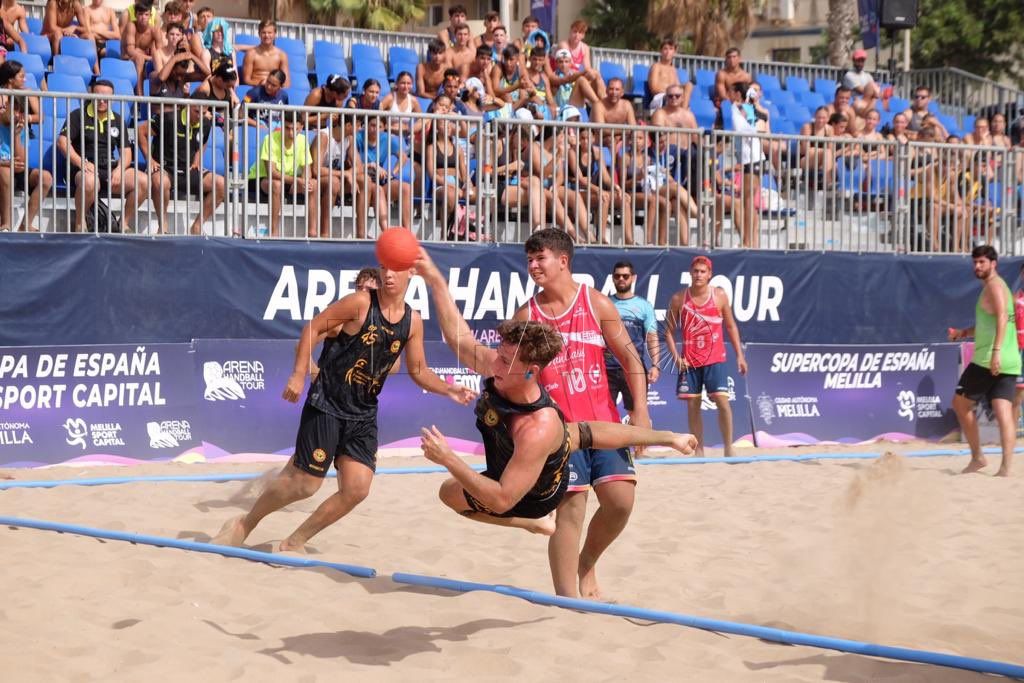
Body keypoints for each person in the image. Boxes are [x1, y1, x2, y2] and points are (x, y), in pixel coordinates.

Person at [415, 256, 698, 534]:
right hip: (516, 474)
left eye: (504, 359)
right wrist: (436, 281)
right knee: (451, 491)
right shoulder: (511, 370)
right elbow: (594, 432)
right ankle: (541, 533)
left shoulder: (542, 423)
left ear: (530, 371)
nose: (495, 365)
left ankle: (552, 536)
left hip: (528, 493)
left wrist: (448, 458)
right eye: (499, 356)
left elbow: (502, 498)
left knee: (588, 507)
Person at [213, 263, 477, 552]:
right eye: (384, 268)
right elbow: (312, 329)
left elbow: (418, 369)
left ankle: (294, 541)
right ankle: (244, 523)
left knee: (357, 489)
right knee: (304, 485)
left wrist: (448, 388)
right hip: (328, 403)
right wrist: (299, 373)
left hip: (363, 412)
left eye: (396, 269)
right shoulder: (360, 303)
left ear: (411, 273)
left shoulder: (412, 321)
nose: (388, 274)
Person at [509, 228, 650, 600]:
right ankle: (566, 600)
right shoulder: (528, 315)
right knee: (570, 511)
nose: (533, 266)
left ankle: (586, 563)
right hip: (560, 432)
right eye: (529, 260)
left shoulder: (597, 304)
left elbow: (631, 359)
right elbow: (513, 376)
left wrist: (642, 411)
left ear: (563, 261)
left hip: (603, 424)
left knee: (621, 501)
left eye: (540, 258)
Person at [664, 256, 748, 457]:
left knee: (722, 402)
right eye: (695, 271)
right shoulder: (679, 298)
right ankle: (699, 450)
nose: (699, 275)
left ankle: (729, 447)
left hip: (715, 359)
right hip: (690, 361)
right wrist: (676, 357)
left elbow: (730, 326)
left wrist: (740, 356)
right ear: (690, 273)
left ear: (710, 274)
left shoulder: (719, 296)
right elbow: (667, 331)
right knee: (693, 405)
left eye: (703, 271)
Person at [948, 245, 1020, 477]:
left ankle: (978, 456)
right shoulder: (1001, 288)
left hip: (989, 359)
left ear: (993, 264)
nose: (977, 266)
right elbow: (989, 324)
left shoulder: (994, 287)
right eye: (975, 262)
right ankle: (1006, 468)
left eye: (982, 262)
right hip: (1010, 359)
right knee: (1003, 412)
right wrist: (963, 333)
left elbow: (1001, 317)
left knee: (960, 404)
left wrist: (996, 351)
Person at [57, 79, 155, 233]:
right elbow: (62, 142)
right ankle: (80, 222)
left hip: (109, 168)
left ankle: (123, 223)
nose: (102, 100)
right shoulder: (77, 115)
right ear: (92, 95)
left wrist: (119, 170)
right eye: (99, 96)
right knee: (90, 181)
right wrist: (81, 163)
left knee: (144, 181)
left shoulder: (117, 119)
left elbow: (127, 153)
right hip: (84, 168)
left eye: (107, 97)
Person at [144, 92, 226, 235]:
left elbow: (203, 141)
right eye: (196, 111)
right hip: (165, 168)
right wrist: (149, 159)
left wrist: (197, 159)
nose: (200, 115)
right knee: (160, 182)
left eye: (204, 112)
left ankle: (197, 227)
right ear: (187, 107)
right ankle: (162, 226)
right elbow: (141, 132)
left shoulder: (206, 124)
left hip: (188, 169)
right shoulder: (169, 119)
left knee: (221, 184)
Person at [0, 60, 53, 232]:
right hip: (3, 162)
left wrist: (22, 123)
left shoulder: (21, 120)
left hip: (15, 160)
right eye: (21, 76)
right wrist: (6, 162)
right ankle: (6, 223)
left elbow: (21, 161)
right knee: (6, 172)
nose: (25, 79)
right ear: (10, 79)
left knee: (45, 178)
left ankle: (25, 225)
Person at [605, 261, 660, 424]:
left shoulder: (644, 306)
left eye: (625, 276)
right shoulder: (604, 303)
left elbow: (652, 336)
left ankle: (639, 450)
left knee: (638, 413)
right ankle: (613, 448)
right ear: (613, 278)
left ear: (633, 278)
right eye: (617, 276)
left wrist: (655, 365)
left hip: (634, 368)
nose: (621, 279)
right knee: (605, 414)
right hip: (607, 368)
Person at [242, 19, 289, 87]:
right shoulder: (251, 54)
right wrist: (261, 84)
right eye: (263, 32)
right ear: (259, 34)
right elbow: (246, 80)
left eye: (269, 32)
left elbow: (286, 82)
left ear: (275, 34)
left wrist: (273, 87)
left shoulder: (281, 55)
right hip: (256, 90)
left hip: (274, 92)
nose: (266, 35)